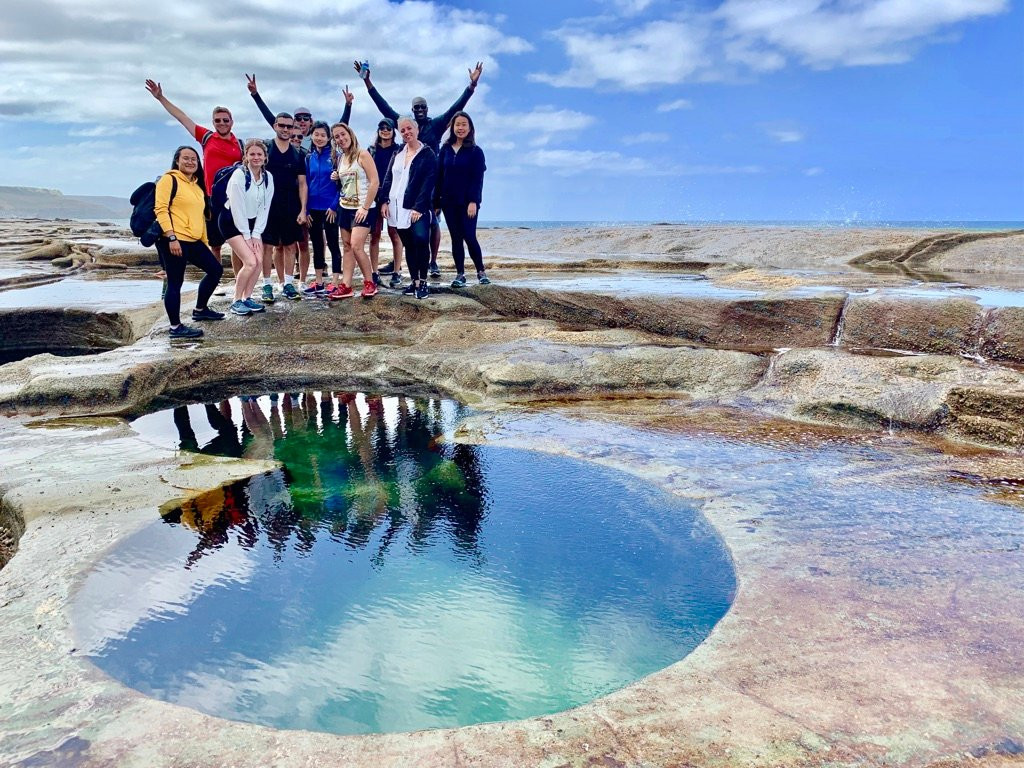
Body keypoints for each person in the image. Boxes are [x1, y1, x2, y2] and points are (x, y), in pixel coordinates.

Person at [355, 60, 483, 278]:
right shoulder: (407, 127)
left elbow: (456, 108)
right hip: (407, 183)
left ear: (427, 109)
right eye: (416, 108)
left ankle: (432, 262)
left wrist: (471, 87)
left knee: (432, 223)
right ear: (412, 112)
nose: (420, 110)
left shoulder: (437, 124)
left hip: (430, 183)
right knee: (403, 225)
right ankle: (404, 264)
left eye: (423, 107)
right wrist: (368, 82)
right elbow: (383, 107)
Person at [145, 80, 242, 272]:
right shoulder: (206, 137)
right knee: (214, 243)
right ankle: (214, 280)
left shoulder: (239, 144)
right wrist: (160, 98)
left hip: (233, 200)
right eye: (217, 120)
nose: (222, 123)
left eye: (225, 120)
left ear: (232, 121)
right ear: (213, 122)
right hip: (210, 198)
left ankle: (238, 283)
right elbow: (182, 117)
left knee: (237, 244)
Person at [154, 146, 225, 338]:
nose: (190, 162)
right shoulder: (169, 179)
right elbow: (160, 210)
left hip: (193, 240)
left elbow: (200, 216)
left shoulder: (196, 185)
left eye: (194, 159)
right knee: (175, 282)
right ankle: (176, 327)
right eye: (186, 158)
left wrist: (204, 241)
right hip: (173, 239)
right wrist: (171, 237)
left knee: (216, 270)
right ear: (177, 160)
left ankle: (200, 310)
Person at [380, 117, 435, 300]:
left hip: (416, 208)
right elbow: (388, 178)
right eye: (402, 130)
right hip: (396, 207)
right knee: (409, 245)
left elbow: (428, 183)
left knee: (420, 240)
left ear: (417, 129)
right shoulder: (398, 153)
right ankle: (414, 281)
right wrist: (384, 201)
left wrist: (419, 207)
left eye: (409, 128)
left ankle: (423, 282)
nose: (406, 132)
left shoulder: (427, 154)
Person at [256, 111, 308, 302]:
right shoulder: (266, 148)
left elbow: (302, 183)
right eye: (282, 125)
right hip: (266, 206)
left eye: (289, 126)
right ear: (275, 126)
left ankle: (288, 283)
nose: (285, 129)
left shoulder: (298, 154)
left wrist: (303, 209)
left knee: (289, 245)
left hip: (290, 205)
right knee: (267, 246)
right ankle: (267, 285)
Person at [220, 139, 274, 316]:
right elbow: (237, 208)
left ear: (265, 157)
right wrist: (246, 235)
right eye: (252, 154)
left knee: (259, 260)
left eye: (259, 154)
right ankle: (236, 300)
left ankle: (247, 297)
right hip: (231, 221)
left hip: (251, 224)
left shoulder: (268, 178)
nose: (256, 157)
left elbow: (264, 207)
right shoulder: (239, 175)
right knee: (250, 262)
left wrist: (256, 233)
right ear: (246, 156)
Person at [435, 111, 489, 287]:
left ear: (470, 127)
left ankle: (481, 271)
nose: (460, 128)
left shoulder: (476, 151)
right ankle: (460, 274)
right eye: (457, 124)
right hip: (448, 203)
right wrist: (436, 202)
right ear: (452, 127)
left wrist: (474, 201)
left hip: (468, 203)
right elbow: (439, 177)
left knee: (469, 235)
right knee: (456, 238)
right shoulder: (445, 150)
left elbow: (477, 178)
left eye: (464, 124)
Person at [327, 123, 379, 299]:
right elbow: (346, 183)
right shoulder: (341, 158)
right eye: (337, 137)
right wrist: (336, 177)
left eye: (343, 134)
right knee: (347, 246)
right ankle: (346, 285)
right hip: (345, 207)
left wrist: (365, 207)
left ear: (350, 133)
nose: (341, 139)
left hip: (363, 208)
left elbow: (374, 182)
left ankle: (370, 282)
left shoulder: (363, 154)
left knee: (357, 245)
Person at [246, 74, 353, 150]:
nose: (302, 121)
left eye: (305, 118)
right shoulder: (286, 133)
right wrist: (255, 94)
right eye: (298, 118)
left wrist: (348, 105)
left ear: (311, 121)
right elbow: (269, 117)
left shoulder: (318, 138)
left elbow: (341, 126)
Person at [303, 121, 341, 296]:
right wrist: (307, 209)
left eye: (323, 135)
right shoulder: (308, 158)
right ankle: (318, 281)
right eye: (316, 134)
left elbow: (343, 185)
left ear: (328, 137)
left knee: (333, 243)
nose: (319, 138)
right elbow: (305, 184)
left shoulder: (335, 157)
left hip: (330, 208)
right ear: (312, 135)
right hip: (313, 208)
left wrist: (334, 206)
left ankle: (334, 281)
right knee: (317, 245)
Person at [368, 118, 405, 288]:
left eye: (388, 128)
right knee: (374, 234)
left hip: (393, 196)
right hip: (374, 195)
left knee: (394, 234)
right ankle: (374, 272)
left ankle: (397, 272)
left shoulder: (399, 150)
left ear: (393, 131)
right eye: (381, 127)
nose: (385, 130)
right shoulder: (371, 150)